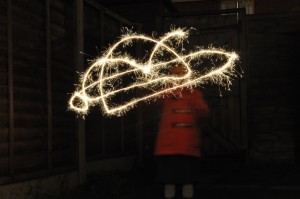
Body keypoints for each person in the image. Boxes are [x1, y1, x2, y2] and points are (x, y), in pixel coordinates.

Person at [154, 65, 209, 199]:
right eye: (176, 74)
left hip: (186, 146)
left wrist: (194, 98)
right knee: (169, 181)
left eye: (182, 74)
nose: (179, 77)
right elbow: (152, 101)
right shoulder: (167, 92)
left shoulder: (194, 93)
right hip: (168, 146)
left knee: (187, 181)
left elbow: (204, 111)